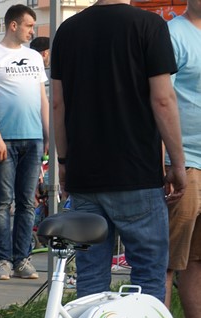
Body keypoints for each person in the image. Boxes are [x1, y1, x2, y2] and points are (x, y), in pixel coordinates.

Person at [52, 0, 185, 302]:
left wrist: (63, 161)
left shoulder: (67, 30)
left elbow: (57, 104)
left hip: (84, 174)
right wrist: (177, 163)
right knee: (148, 274)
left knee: (90, 277)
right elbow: (163, 100)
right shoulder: (149, 25)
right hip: (137, 173)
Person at [0, 5, 49, 281]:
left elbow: (42, 98)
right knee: (2, 201)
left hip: (33, 138)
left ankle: (22, 259)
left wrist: (48, 135)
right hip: (4, 139)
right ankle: (2, 260)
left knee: (28, 202)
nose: (32, 31)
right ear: (13, 25)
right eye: (29, 26)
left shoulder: (34, 57)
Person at [167, 0, 201, 318]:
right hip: (185, 162)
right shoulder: (173, 34)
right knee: (169, 260)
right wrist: (169, 161)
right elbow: (161, 99)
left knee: (197, 260)